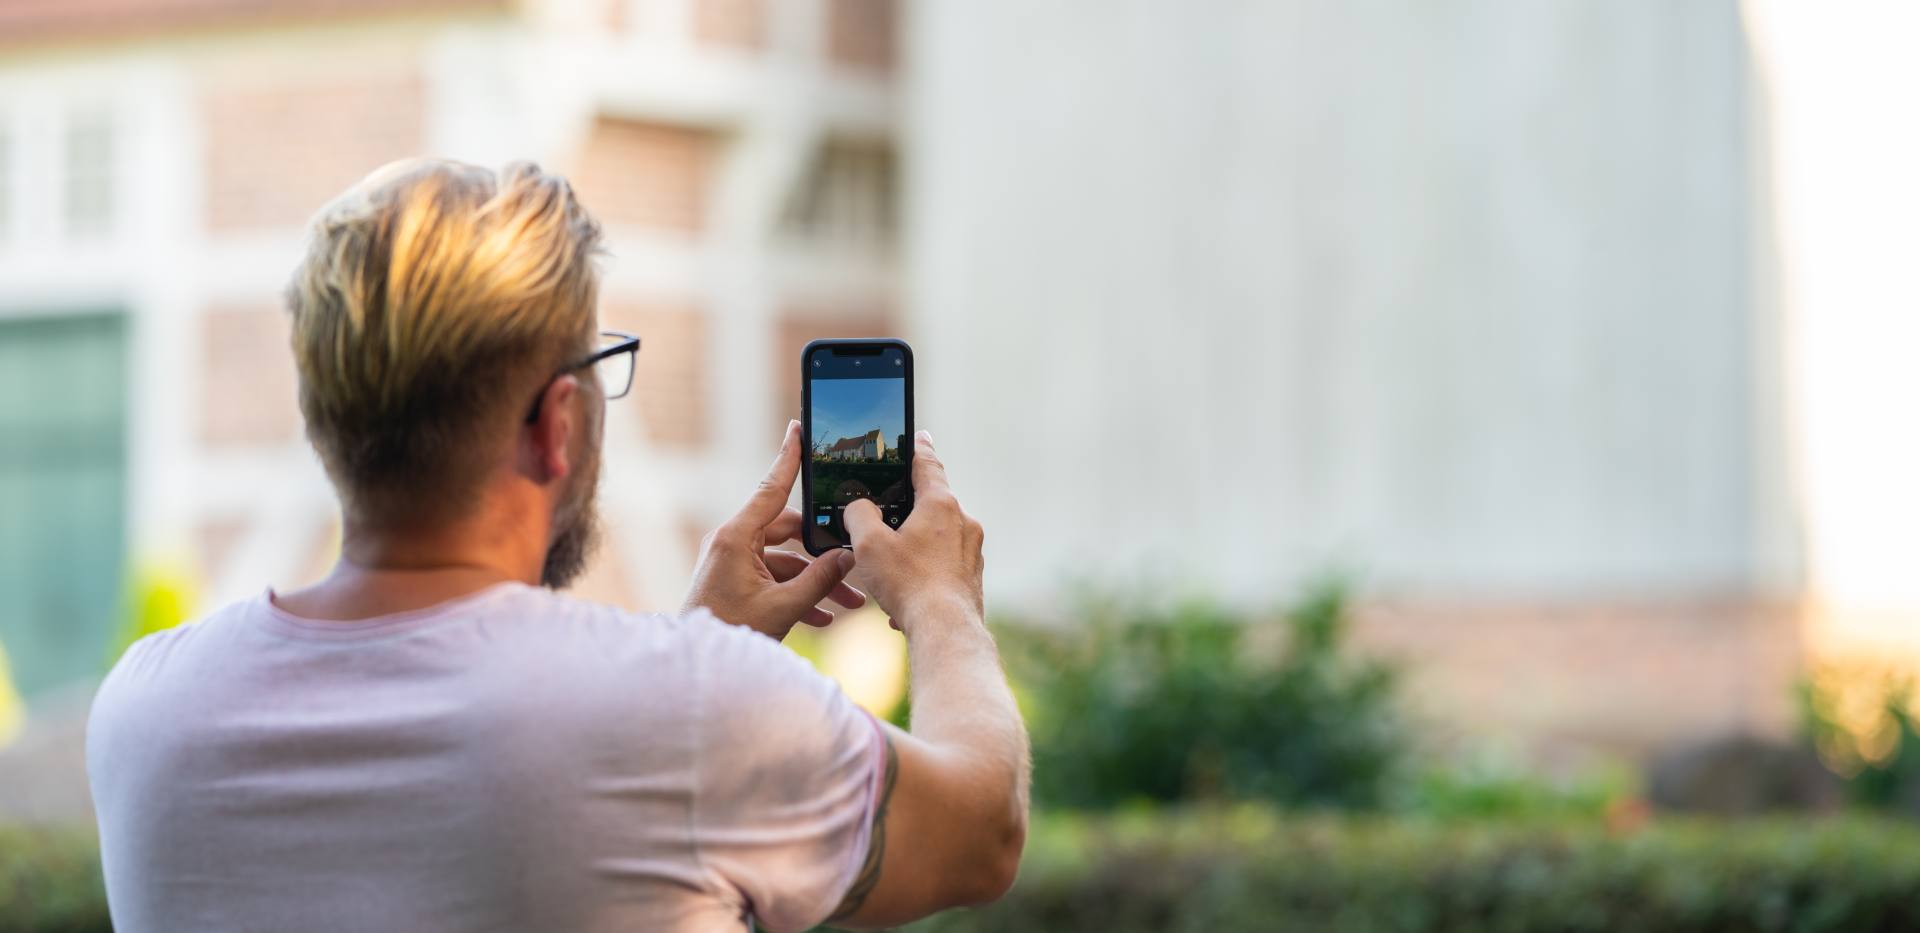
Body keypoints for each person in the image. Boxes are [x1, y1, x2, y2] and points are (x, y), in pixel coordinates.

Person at [86, 159, 1030, 932]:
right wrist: (939, 600)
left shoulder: (143, 712)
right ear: (558, 421)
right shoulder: (696, 708)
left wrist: (702, 641)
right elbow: (982, 831)